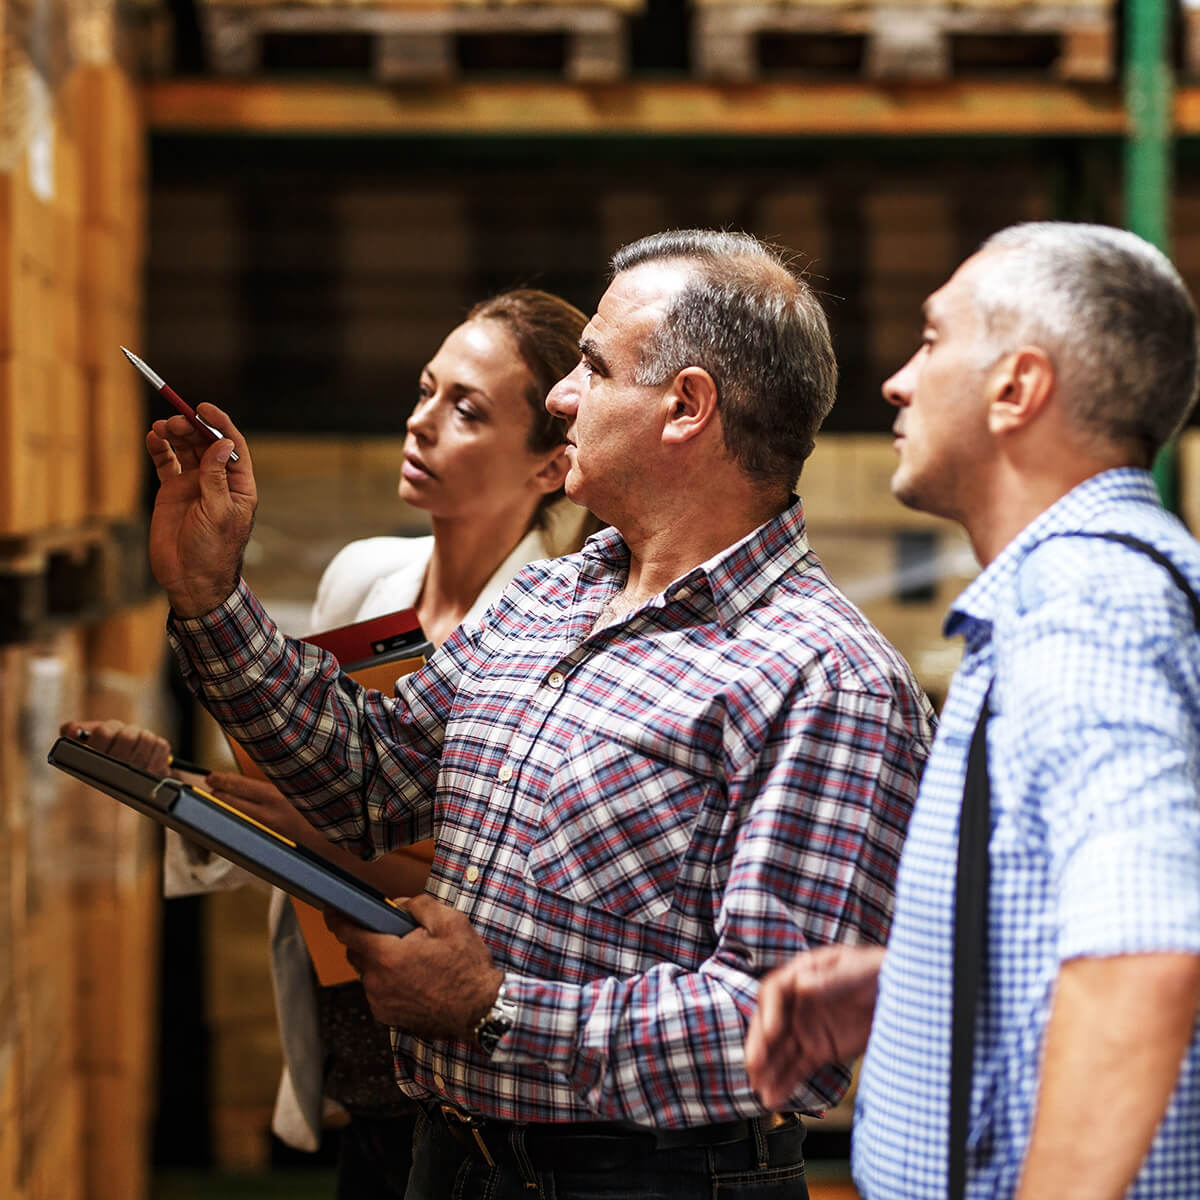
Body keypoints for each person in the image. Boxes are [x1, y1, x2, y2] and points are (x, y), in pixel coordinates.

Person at [137, 228, 936, 1200]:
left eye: (593, 369)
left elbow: (782, 1032)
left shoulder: (826, 680)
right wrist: (213, 600)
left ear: (686, 407)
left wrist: (493, 1012)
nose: (562, 397)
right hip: (453, 1161)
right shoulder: (547, 601)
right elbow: (371, 777)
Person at [64, 287, 595, 1199]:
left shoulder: (551, 632)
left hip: (468, 1056)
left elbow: (485, 880)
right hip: (354, 1030)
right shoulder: (363, 577)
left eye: (464, 410)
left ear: (551, 467)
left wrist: (309, 825)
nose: (419, 423)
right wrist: (180, 789)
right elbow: (290, 794)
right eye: (426, 390)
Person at [745, 222, 1200, 1200]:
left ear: (1017, 388)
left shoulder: (1083, 610)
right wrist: (927, 988)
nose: (897, 382)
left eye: (932, 339)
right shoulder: (1087, 596)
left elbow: (1146, 954)